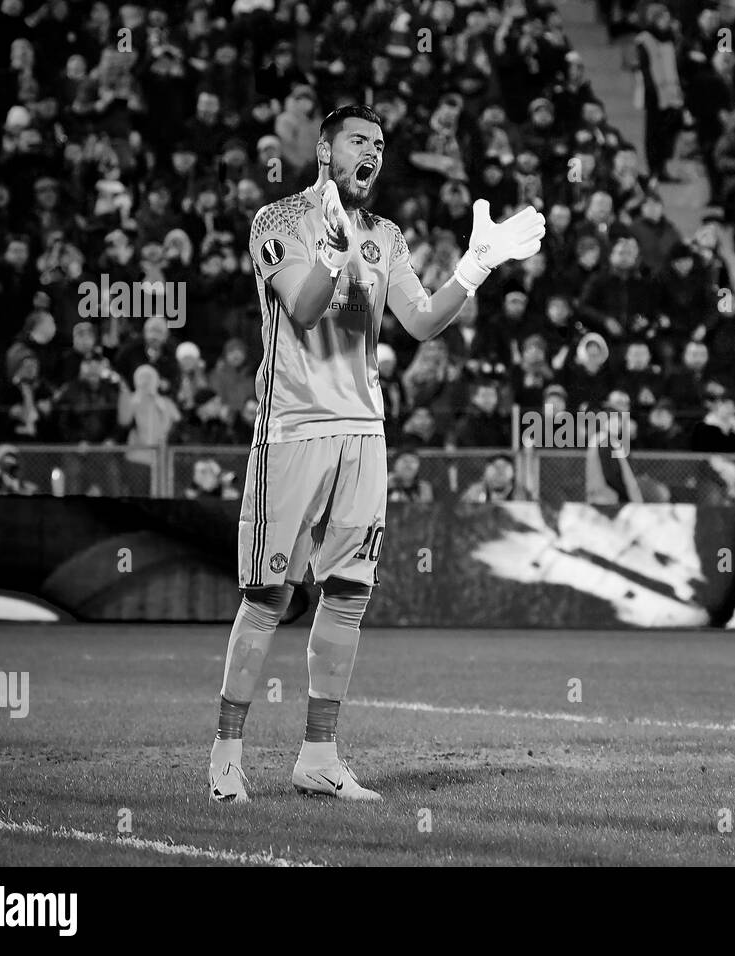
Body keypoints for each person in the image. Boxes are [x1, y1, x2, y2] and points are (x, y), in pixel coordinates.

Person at [209, 104, 545, 804]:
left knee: (350, 595)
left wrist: (475, 267)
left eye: (382, 144)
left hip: (365, 432)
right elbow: (301, 309)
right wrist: (330, 250)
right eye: (359, 140)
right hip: (293, 432)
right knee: (269, 594)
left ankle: (318, 758)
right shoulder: (275, 221)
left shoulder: (385, 236)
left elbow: (422, 322)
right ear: (326, 150)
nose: (374, 152)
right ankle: (226, 754)